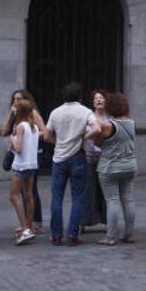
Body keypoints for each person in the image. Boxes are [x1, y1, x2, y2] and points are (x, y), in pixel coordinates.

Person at [44, 82, 97, 246]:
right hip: (77, 157)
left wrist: (58, 142)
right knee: (78, 197)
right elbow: (97, 129)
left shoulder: (56, 112)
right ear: (80, 96)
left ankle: (56, 235)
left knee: (57, 198)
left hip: (59, 158)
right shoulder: (85, 111)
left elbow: (46, 135)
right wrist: (84, 137)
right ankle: (73, 235)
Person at [92, 91, 138, 246]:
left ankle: (111, 236)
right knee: (128, 200)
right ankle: (129, 234)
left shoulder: (108, 125)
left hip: (110, 167)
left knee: (112, 201)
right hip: (129, 166)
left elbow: (97, 143)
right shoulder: (131, 123)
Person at [0, 90, 47, 232]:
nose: (16, 102)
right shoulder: (17, 117)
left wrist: (24, 137)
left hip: (30, 155)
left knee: (26, 192)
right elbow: (4, 131)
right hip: (26, 158)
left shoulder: (31, 115)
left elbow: (44, 132)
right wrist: (10, 114)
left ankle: (32, 223)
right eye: (14, 99)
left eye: (19, 99)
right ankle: (28, 224)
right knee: (26, 192)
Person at [8, 97, 39, 245]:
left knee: (14, 195)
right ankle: (29, 225)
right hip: (32, 164)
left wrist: (12, 139)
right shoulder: (34, 127)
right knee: (29, 194)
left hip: (21, 165)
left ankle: (25, 227)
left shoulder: (21, 126)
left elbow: (18, 148)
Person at [81, 90, 110, 233]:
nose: (98, 100)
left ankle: (108, 220)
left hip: (106, 158)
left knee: (105, 190)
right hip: (89, 157)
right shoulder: (88, 117)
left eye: (101, 98)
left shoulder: (110, 118)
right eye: (96, 98)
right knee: (88, 189)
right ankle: (86, 220)